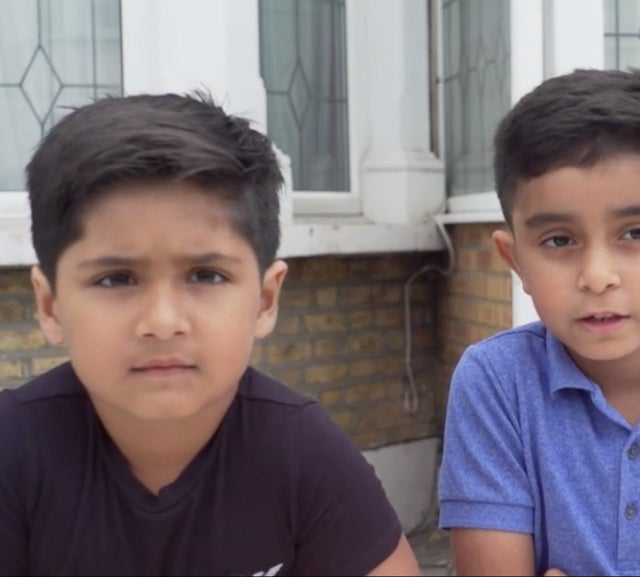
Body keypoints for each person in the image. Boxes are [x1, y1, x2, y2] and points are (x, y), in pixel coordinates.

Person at [0, 92, 421, 576]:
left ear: (265, 300)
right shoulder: (13, 453)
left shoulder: (302, 453)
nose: (163, 322)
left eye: (206, 275)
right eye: (115, 279)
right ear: (50, 305)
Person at [438, 67, 640, 576]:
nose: (598, 277)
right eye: (559, 240)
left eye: (635, 234)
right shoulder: (497, 382)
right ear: (515, 261)